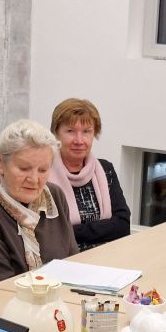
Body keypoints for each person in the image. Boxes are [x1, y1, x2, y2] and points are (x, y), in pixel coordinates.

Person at [0, 119, 79, 286]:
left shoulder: (54, 196)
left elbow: (73, 263)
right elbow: (1, 286)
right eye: (24, 168)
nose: (34, 180)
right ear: (0, 162)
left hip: (60, 295)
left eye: (43, 170)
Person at [49, 98, 130, 250]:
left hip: (107, 256)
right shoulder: (42, 173)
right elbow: (48, 234)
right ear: (56, 133)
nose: (79, 140)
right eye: (70, 131)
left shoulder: (105, 169)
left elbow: (122, 226)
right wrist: (102, 228)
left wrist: (70, 231)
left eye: (86, 131)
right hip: (63, 259)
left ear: (94, 134)